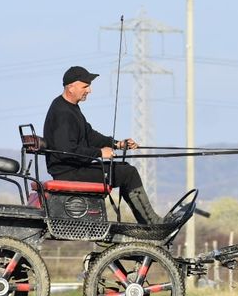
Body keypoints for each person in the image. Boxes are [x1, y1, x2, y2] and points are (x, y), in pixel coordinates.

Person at [43, 65, 165, 224]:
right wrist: (100, 153)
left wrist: (117, 144)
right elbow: (65, 151)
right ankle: (152, 223)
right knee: (128, 173)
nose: (89, 90)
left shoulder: (70, 107)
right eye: (85, 86)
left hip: (74, 169)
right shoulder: (62, 113)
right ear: (71, 87)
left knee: (125, 169)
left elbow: (89, 135)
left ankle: (147, 222)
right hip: (69, 173)